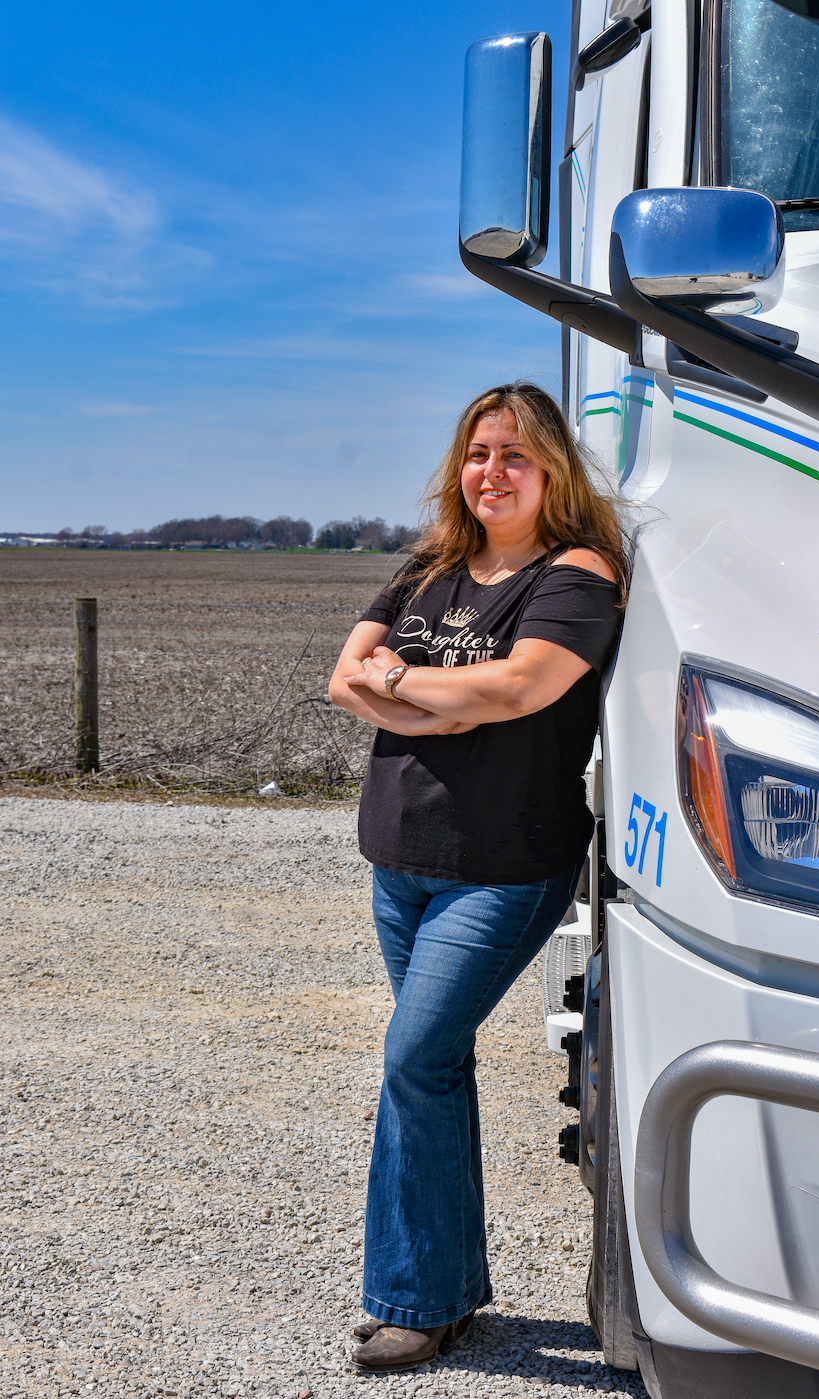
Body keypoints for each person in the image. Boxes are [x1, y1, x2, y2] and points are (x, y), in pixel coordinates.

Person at [328, 381, 631, 1375]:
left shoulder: (577, 573)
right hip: (401, 858)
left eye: (513, 455)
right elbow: (344, 677)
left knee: (413, 1055)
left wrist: (405, 685)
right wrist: (440, 706)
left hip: (502, 868)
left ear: (552, 471)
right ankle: (445, 1290)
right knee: (435, 1065)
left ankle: (409, 1298)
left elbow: (516, 685)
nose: (490, 471)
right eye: (476, 453)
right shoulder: (430, 565)